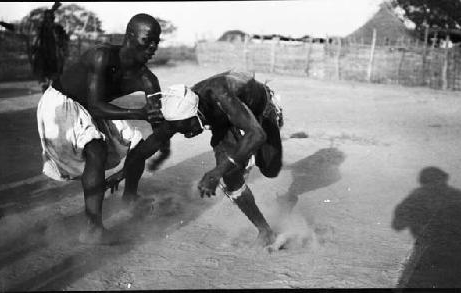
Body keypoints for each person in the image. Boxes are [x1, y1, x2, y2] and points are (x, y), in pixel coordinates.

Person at [106, 71, 284, 247]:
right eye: (181, 130)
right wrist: (123, 173)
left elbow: (258, 135)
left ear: (196, 114)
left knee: (269, 169)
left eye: (187, 128)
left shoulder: (220, 94)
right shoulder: (180, 112)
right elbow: (148, 146)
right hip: (222, 120)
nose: (187, 134)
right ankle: (265, 231)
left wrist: (216, 172)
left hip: (258, 108)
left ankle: (265, 117)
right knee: (229, 176)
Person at [37, 13, 167, 244]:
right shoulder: (101, 56)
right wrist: (138, 114)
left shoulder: (149, 80)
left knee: (136, 141)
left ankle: (130, 198)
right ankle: (93, 227)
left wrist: (164, 144)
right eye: (148, 40)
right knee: (96, 149)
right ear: (130, 35)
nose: (153, 47)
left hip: (92, 106)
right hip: (62, 101)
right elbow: (97, 107)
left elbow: (158, 125)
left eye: (157, 41)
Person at [31, 1, 69, 93]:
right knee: (41, 66)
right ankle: (45, 84)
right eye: (47, 17)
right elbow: (35, 39)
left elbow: (64, 39)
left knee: (55, 71)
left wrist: (63, 47)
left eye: (50, 17)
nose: (49, 19)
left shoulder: (57, 28)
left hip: (54, 53)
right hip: (44, 53)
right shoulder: (41, 27)